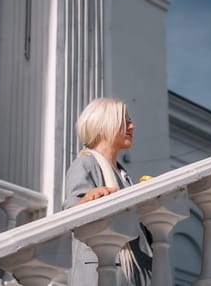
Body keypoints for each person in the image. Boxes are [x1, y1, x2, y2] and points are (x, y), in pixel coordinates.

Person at [63, 98, 152, 286]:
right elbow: (70, 214)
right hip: (101, 271)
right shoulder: (86, 164)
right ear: (104, 125)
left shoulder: (125, 176)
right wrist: (88, 198)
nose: (132, 126)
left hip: (135, 274)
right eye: (125, 121)